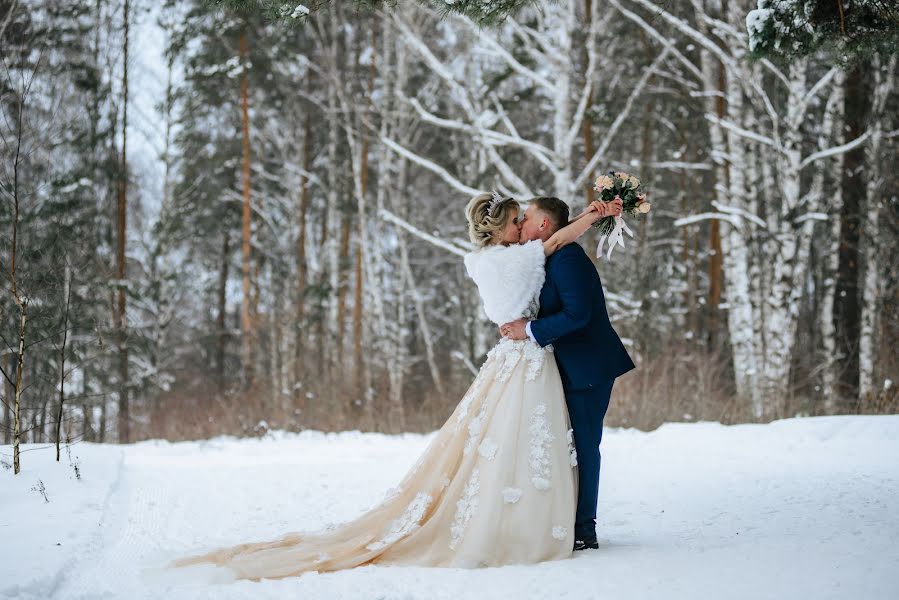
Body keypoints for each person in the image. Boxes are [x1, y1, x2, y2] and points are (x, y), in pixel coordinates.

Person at [170, 192, 619, 580]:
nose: (523, 227)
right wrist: (593, 214)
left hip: (517, 357)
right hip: (525, 358)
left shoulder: (483, 262)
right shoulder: (522, 257)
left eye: (526, 220)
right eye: (517, 221)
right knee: (518, 442)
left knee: (504, 442)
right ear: (504, 229)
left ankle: (535, 518)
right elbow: (557, 239)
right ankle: (534, 521)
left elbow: (557, 257)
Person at [501, 196, 635, 550]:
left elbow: (579, 315)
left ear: (543, 224)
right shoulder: (549, 253)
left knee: (585, 446)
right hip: (564, 366)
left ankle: (583, 528)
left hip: (588, 366)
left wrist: (529, 329)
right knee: (565, 446)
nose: (520, 224)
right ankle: (563, 518)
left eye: (525, 217)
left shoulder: (568, 259)